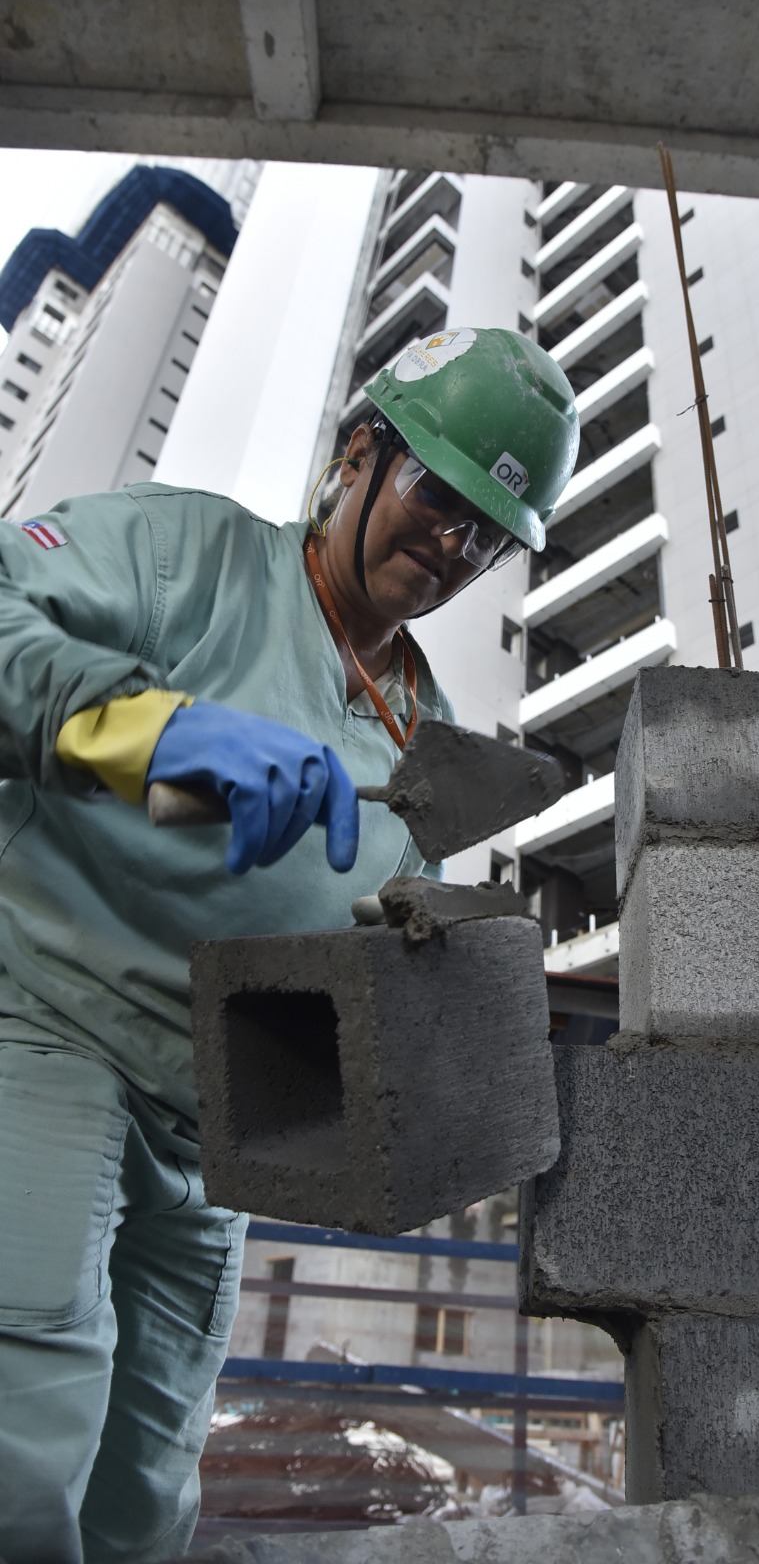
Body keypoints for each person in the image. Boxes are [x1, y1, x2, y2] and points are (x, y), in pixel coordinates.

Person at [0, 326, 579, 1564]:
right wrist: (145, 729)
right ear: (359, 455)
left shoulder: (425, 748)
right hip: (47, 1017)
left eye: (485, 533)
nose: (452, 547)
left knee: (149, 1476)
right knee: (21, 1420)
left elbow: (366, 967)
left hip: (221, 1126)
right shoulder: (186, 559)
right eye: (438, 498)